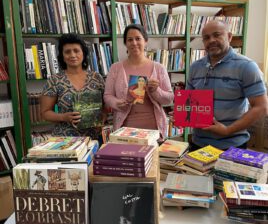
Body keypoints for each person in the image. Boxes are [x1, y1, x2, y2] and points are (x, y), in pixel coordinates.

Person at [187, 20, 268, 150]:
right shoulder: (195, 67)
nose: (211, 40)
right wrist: (182, 115)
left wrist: (227, 130)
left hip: (232, 146)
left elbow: (261, 107)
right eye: (206, 38)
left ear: (229, 36)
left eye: (217, 35)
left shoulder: (247, 66)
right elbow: (189, 104)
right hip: (198, 144)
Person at [104, 24, 174, 140]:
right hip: (124, 127)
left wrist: (156, 90)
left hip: (153, 127)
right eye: (130, 40)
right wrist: (116, 103)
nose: (134, 43)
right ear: (125, 43)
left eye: (138, 38)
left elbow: (169, 99)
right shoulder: (115, 68)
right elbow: (107, 95)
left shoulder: (159, 68)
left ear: (145, 41)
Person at [41, 33, 105, 139]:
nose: (72, 55)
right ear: (62, 56)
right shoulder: (55, 80)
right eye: (67, 52)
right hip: (65, 141)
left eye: (76, 50)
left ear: (83, 53)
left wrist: (102, 120)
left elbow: (105, 107)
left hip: (93, 139)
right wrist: (63, 117)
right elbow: (45, 113)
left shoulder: (96, 78)